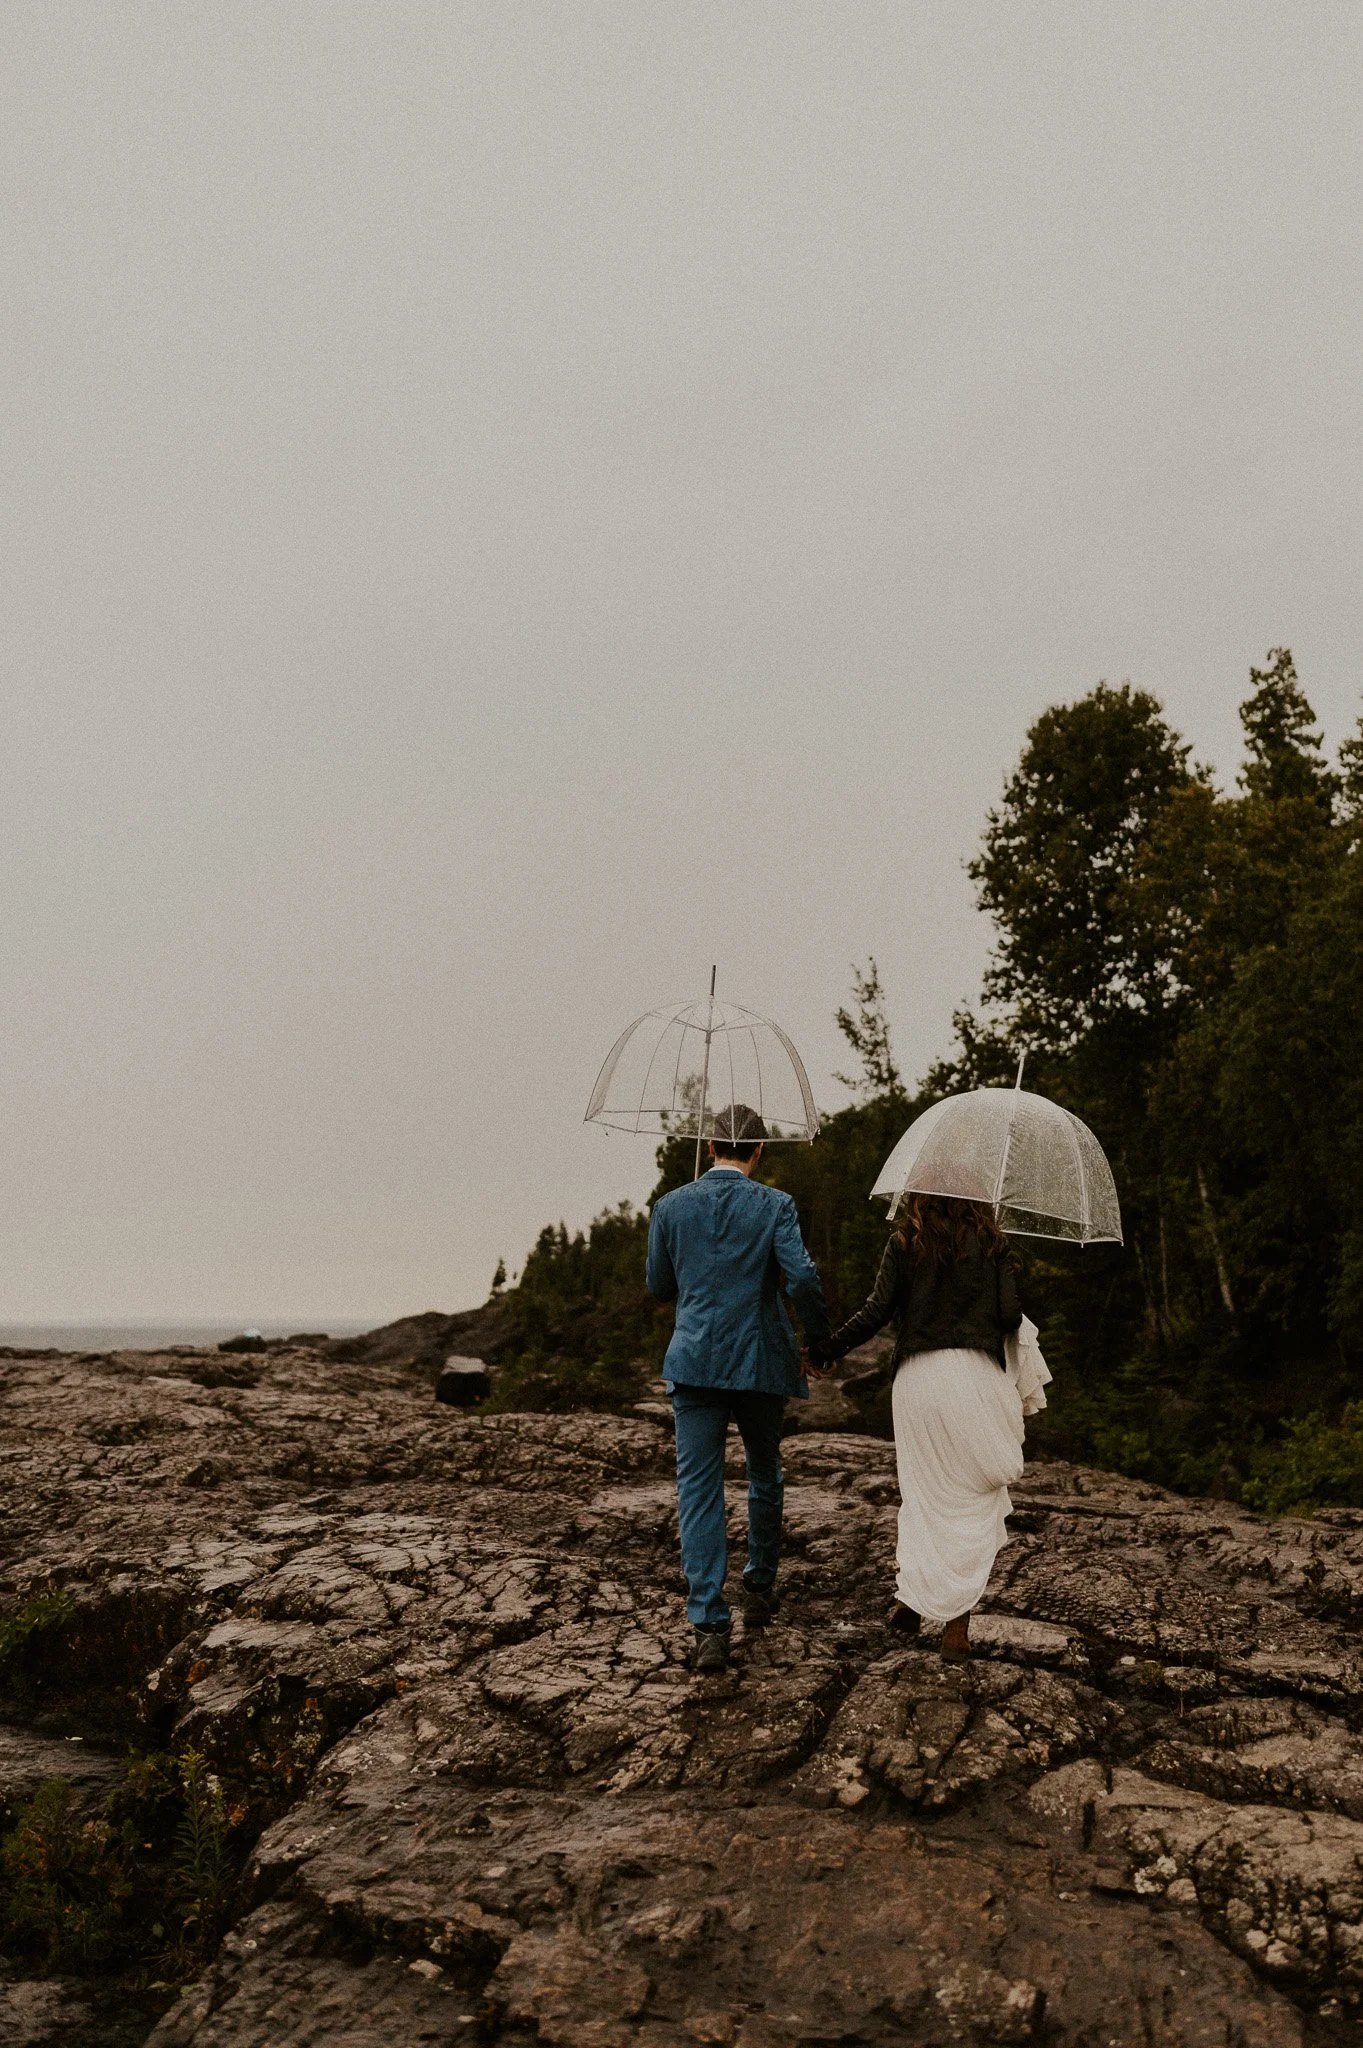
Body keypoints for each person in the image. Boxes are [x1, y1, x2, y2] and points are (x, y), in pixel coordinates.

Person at [646, 1104, 830, 1673]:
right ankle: (758, 1587)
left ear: (708, 1149)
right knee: (763, 1472)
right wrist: (818, 1343)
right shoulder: (776, 1204)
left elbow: (658, 1286)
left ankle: (708, 1623)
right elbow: (800, 1276)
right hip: (760, 1360)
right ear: (758, 1151)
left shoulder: (670, 1206)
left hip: (695, 1359)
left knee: (697, 1487)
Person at [808, 1192, 1024, 1663]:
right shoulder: (994, 1245)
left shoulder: (906, 1241)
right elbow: (1010, 1316)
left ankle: (910, 1598)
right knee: (970, 1499)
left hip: (920, 1381)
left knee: (924, 1495)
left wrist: (826, 1349)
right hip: (975, 1378)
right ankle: (956, 1628)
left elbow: (875, 1311)